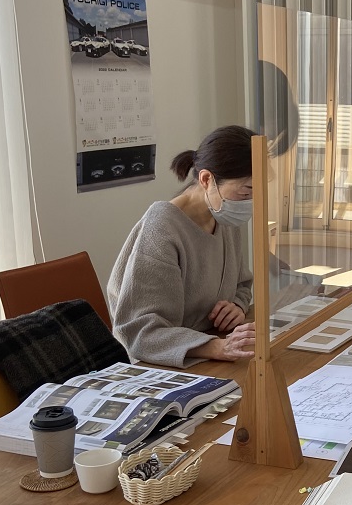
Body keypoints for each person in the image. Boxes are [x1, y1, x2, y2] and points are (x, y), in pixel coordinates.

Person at [107, 125, 257, 368]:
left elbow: (241, 284)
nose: (252, 201)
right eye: (247, 191)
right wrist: (216, 347)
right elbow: (140, 333)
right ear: (207, 179)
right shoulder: (161, 229)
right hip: (162, 364)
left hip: (209, 351)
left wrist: (236, 307)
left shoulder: (223, 216)